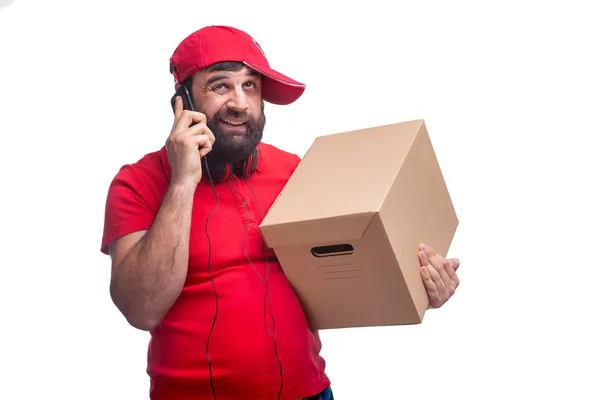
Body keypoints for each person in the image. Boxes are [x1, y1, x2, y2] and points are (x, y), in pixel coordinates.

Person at [100, 25, 461, 400]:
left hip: (312, 394)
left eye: (250, 86)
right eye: (221, 86)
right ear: (184, 102)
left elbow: (345, 273)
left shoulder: (296, 171)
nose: (240, 103)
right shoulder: (137, 183)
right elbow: (141, 310)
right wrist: (182, 183)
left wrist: (418, 285)